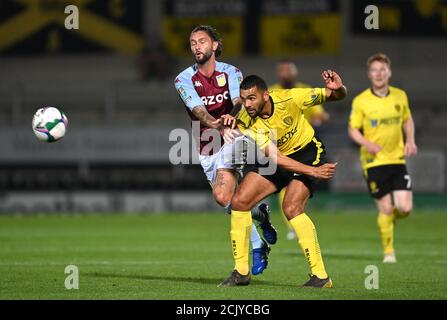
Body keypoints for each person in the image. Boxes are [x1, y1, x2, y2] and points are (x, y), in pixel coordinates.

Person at [218, 71, 347, 287]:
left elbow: (335, 95)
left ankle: (321, 276)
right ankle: (241, 272)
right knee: (239, 202)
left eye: (252, 98)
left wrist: (339, 88)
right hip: (279, 158)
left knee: (291, 207)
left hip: (308, 152)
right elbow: (276, 158)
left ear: (265, 95)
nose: (247, 104)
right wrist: (312, 172)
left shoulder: (291, 98)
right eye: (244, 99)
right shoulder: (246, 120)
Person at [174, 25, 277, 275]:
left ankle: (255, 247)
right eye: (192, 43)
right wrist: (215, 124)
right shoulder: (183, 79)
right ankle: (260, 214)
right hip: (207, 142)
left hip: (233, 136)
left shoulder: (231, 72)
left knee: (228, 197)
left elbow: (238, 101)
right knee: (225, 200)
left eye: (202, 41)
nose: (197, 46)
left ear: (215, 45)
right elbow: (198, 111)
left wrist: (229, 119)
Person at [348, 53, 417, 263]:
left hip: (397, 159)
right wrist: (367, 143)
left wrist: (410, 140)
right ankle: (389, 252)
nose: (378, 74)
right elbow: (353, 129)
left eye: (382, 70)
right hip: (373, 161)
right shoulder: (361, 100)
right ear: (369, 75)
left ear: (389, 72)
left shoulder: (400, 96)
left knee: (405, 209)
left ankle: (388, 219)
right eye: (374, 70)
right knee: (386, 207)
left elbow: (407, 120)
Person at [270, 59, 330, 240]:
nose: (285, 74)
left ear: (295, 73)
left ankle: (297, 217)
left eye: (289, 70)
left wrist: (305, 123)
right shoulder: (271, 91)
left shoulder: (303, 91)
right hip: (280, 148)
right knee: (284, 189)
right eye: (282, 70)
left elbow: (320, 115)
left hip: (306, 146)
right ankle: (293, 226)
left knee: (298, 188)